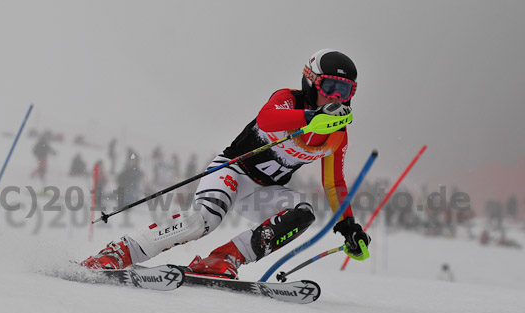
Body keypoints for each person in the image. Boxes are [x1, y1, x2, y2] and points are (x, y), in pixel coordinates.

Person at [81, 49, 371, 279]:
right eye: (330, 87)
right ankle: (121, 251)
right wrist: (309, 119)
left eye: (344, 92)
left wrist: (349, 226)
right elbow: (265, 119)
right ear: (310, 82)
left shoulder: (337, 136)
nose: (335, 98)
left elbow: (334, 183)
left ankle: (224, 258)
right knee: (203, 221)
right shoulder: (288, 101)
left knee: (303, 213)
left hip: (263, 191)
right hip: (232, 171)